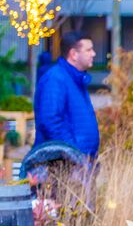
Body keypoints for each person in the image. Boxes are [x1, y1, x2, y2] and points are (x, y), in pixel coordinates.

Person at [34, 31, 99, 159]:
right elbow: (50, 122)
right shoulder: (56, 79)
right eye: (89, 50)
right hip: (65, 165)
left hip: (80, 164)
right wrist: (72, 154)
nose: (93, 54)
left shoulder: (76, 79)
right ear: (73, 54)